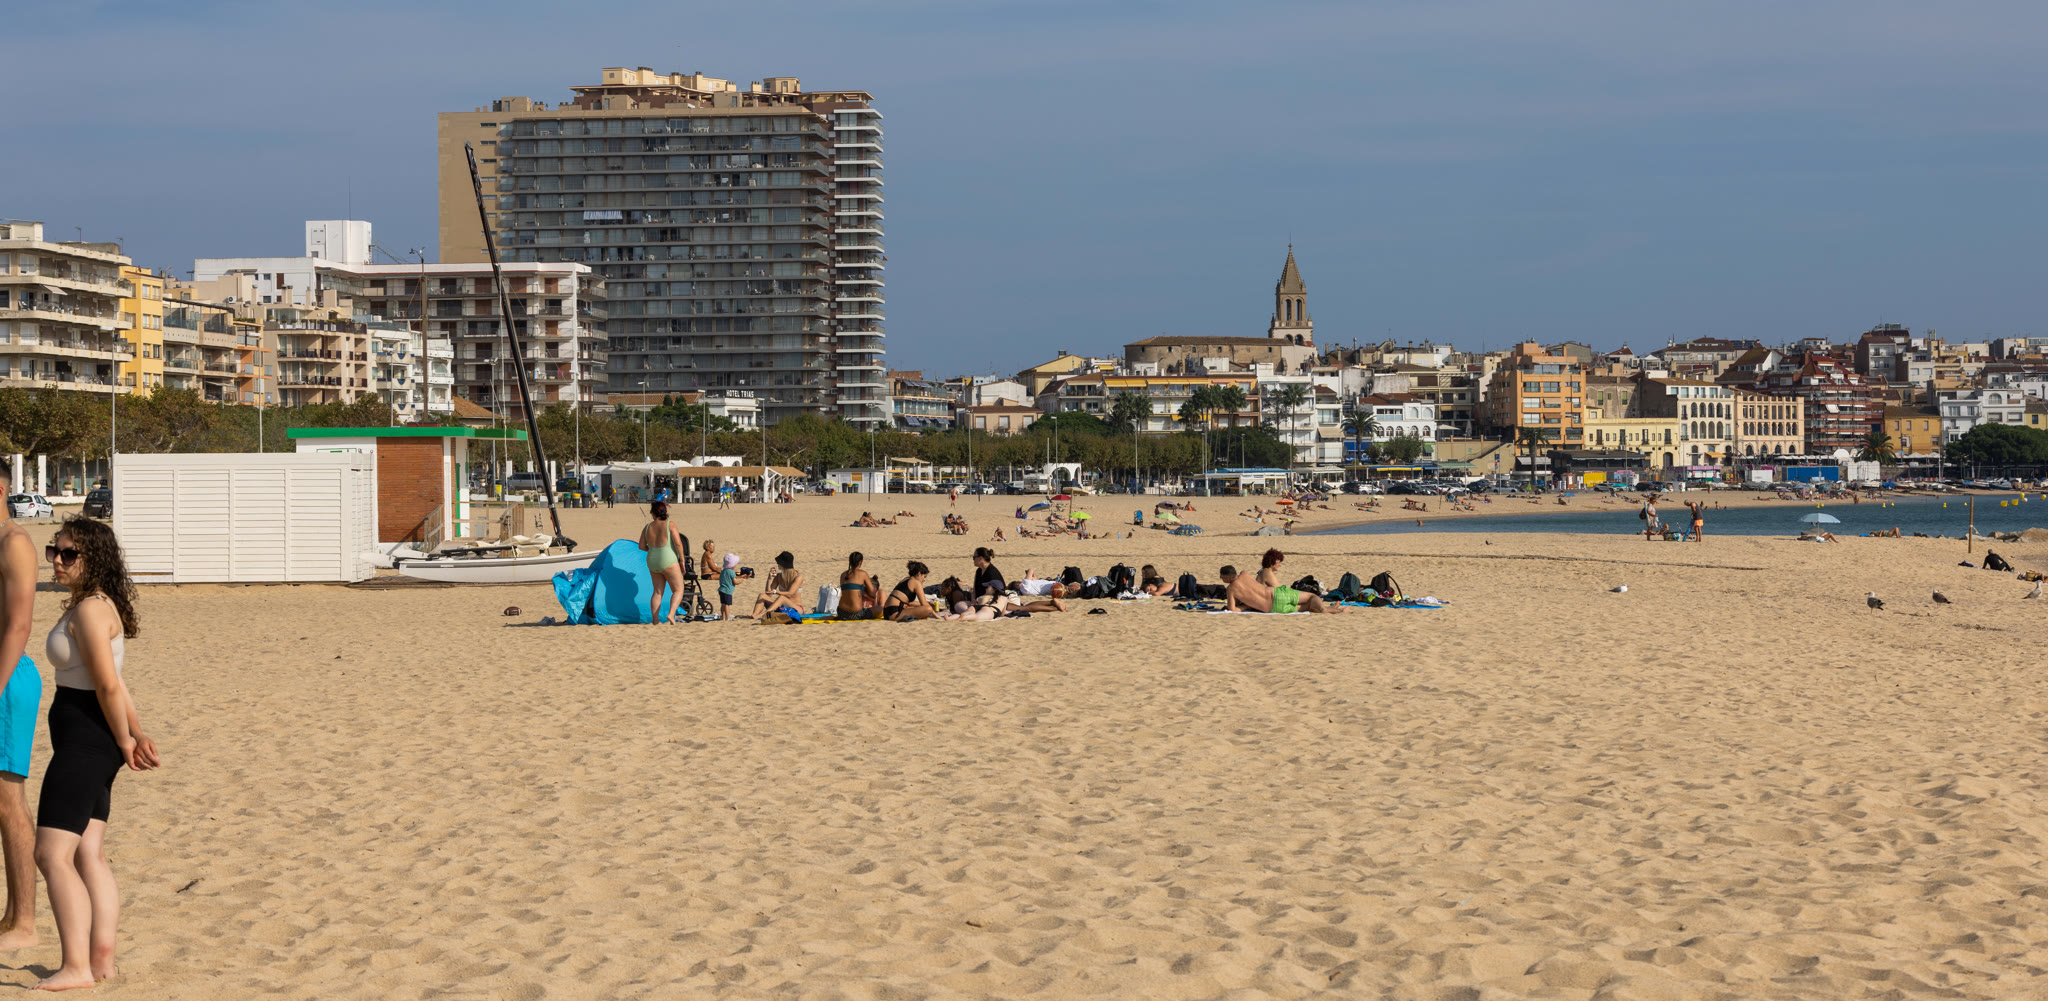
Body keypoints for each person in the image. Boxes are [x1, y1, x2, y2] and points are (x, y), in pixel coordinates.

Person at [36, 517, 159, 990]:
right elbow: (115, 680)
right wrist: (134, 732)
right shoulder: (96, 603)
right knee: (88, 852)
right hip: (93, 735)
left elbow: (107, 685)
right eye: (55, 551)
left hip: (87, 738)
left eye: (69, 554)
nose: (58, 561)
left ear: (95, 559)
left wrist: (126, 741)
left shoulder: (90, 610)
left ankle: (76, 967)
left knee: (51, 854)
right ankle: (101, 960)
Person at [0, 468, 38, 952]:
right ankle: (11, 917)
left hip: (7, 678)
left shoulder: (15, 542)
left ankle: (25, 923)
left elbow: (19, 625)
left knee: (9, 800)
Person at [1229, 549, 1341, 614]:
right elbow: (1280, 591)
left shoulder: (1262, 572)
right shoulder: (1267, 573)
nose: (1279, 565)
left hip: (1267, 605)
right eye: (1278, 562)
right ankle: (1325, 609)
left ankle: (1330, 609)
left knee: (1307, 606)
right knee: (1311, 597)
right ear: (1272, 562)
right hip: (1275, 600)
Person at [637, 500, 687, 623]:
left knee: (657, 592)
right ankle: (671, 614)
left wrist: (652, 549)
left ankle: (655, 620)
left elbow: (641, 546)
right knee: (678, 590)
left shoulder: (647, 527)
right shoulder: (670, 524)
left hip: (652, 560)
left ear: (653, 513)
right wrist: (682, 559)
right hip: (668, 559)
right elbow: (678, 543)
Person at [749, 552, 805, 621]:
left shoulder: (798, 577)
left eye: (779, 562)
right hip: (782, 607)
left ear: (784, 564)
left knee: (782, 597)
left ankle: (762, 615)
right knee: (762, 595)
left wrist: (776, 592)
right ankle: (755, 614)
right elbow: (768, 594)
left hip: (796, 609)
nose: (777, 564)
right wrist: (769, 579)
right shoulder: (778, 576)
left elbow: (790, 593)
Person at [838, 553, 879, 620]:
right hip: (856, 614)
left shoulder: (843, 575)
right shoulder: (863, 574)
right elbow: (873, 595)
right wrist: (865, 589)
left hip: (841, 613)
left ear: (850, 561)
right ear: (860, 562)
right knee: (880, 609)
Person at [717, 553, 739, 621]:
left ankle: (723, 616)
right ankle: (727, 617)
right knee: (727, 605)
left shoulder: (723, 571)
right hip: (727, 591)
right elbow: (735, 582)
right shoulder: (731, 572)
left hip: (721, 590)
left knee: (723, 604)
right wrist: (741, 581)